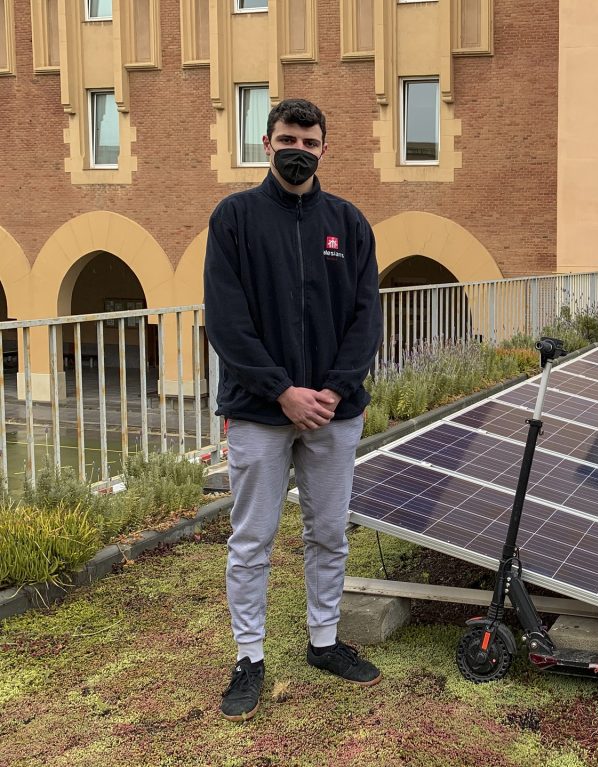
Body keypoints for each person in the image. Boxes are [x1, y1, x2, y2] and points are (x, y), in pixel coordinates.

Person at [204, 98, 384, 722]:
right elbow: (227, 322)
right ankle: (248, 657)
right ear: (266, 141)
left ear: (324, 149)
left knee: (329, 532)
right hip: (259, 411)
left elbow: (367, 318)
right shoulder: (234, 219)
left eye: (309, 142)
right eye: (288, 139)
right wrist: (282, 391)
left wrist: (332, 391)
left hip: (335, 412)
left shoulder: (349, 222)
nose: (298, 150)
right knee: (252, 538)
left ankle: (324, 641)